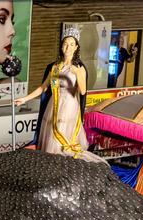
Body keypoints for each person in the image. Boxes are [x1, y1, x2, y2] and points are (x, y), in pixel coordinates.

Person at [15, 28, 98, 160]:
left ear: (76, 47)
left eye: (71, 44)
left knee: (61, 139)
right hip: (53, 105)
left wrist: (77, 73)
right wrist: (25, 99)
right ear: (61, 46)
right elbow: (43, 87)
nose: (68, 47)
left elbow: (82, 91)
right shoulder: (55, 67)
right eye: (65, 44)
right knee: (50, 138)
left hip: (69, 105)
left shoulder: (79, 68)